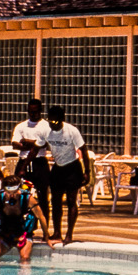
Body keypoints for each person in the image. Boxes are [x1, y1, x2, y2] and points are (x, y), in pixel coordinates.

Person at [42, 104, 87, 245]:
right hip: (58, 168)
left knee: (71, 201)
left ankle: (69, 234)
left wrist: (88, 172)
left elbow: (83, 150)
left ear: (62, 119)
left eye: (55, 122)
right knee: (55, 202)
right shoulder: (46, 131)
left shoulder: (71, 131)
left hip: (72, 167)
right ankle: (57, 232)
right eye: (50, 121)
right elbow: (36, 147)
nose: (52, 125)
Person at [10, 98, 53, 236]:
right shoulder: (22, 126)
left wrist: (29, 142)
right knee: (17, 194)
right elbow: (15, 144)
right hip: (23, 162)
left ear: (40, 111)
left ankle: (44, 228)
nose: (32, 114)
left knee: (42, 196)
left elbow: (46, 144)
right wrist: (32, 144)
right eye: (30, 112)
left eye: (35, 112)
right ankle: (20, 227)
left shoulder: (46, 126)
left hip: (39, 162)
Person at [0, 173, 40, 263]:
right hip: (4, 234)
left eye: (15, 192)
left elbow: (41, 217)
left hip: (23, 235)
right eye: (9, 192)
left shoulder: (28, 198)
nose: (12, 195)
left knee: (25, 259)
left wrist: (47, 238)